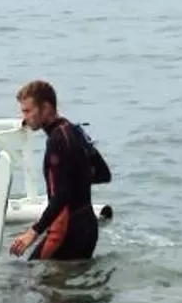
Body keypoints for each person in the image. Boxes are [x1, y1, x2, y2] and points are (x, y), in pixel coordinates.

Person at [9, 80, 109, 262]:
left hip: (67, 229)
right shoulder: (74, 130)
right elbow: (103, 173)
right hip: (88, 227)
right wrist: (76, 179)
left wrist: (33, 232)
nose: (24, 118)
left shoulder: (57, 141)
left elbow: (61, 196)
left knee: (28, 279)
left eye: (28, 111)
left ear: (46, 108)